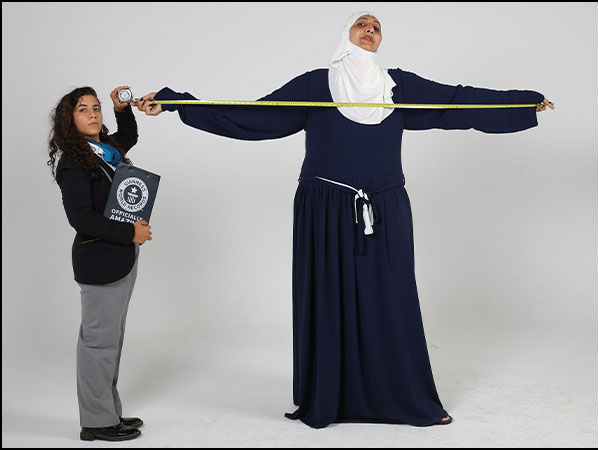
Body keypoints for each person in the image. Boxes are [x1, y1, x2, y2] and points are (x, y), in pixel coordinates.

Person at [136, 11, 554, 429]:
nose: (370, 30)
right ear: (346, 34)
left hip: (385, 207)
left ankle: (405, 399)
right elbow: (254, 116)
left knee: (391, 299)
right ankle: (331, 398)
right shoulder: (316, 85)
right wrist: (177, 102)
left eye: (376, 27)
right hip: (325, 207)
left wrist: (521, 103)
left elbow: (458, 102)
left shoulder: (399, 87)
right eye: (362, 24)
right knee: (329, 300)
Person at [48, 86, 153, 441]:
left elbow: (129, 135)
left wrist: (121, 108)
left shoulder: (105, 150)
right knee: (98, 344)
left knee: (111, 341)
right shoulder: (74, 162)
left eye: (96, 108)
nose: (93, 114)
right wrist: (130, 233)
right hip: (99, 260)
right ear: (69, 119)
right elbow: (81, 218)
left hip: (120, 258)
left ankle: (108, 412)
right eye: (83, 109)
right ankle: (96, 422)